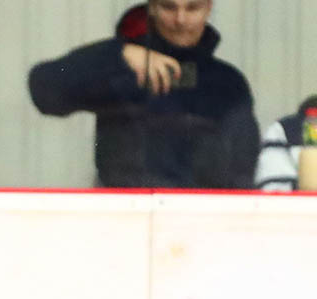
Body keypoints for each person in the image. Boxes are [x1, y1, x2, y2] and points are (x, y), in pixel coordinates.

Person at [27, 1, 258, 189]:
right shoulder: (123, 68)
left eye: (192, 8)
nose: (180, 20)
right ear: (152, 8)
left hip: (202, 222)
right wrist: (120, 55)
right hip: (124, 221)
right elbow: (44, 89)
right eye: (169, 7)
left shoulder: (228, 83)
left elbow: (242, 169)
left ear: (209, 8)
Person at [254, 95, 317, 192]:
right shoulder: (284, 130)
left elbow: (272, 187)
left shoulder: (281, 129)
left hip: (282, 201)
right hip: (293, 202)